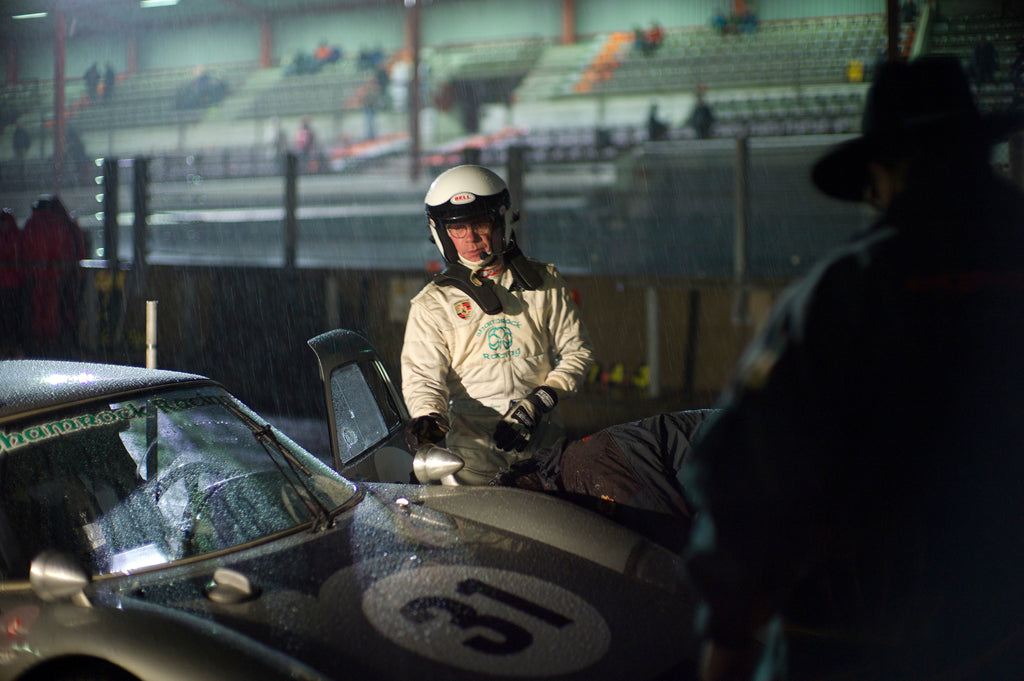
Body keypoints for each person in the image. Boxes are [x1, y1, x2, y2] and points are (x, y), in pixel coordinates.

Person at [682, 55, 1024, 681]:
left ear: (881, 173)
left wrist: (727, 632)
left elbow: (751, 477)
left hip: (857, 641)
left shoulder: (849, 289)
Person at [401, 165, 596, 485]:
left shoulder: (544, 282)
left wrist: (539, 402)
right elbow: (423, 378)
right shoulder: (432, 304)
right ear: (441, 233)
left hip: (544, 446)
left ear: (502, 221)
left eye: (479, 224)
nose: (471, 239)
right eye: (458, 229)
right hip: (471, 455)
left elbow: (578, 351)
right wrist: (428, 419)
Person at [21, 195, 86, 358]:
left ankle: (39, 345)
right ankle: (55, 345)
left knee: (38, 310)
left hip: (37, 277)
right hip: (60, 276)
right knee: (57, 311)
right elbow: (75, 250)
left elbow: (24, 250)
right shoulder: (64, 224)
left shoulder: (31, 225)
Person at [0, 208, 27, 356]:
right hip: (12, 285)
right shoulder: (16, 238)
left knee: (8, 318)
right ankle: (11, 345)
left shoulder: (13, 238)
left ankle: (9, 344)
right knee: (11, 318)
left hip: (10, 286)